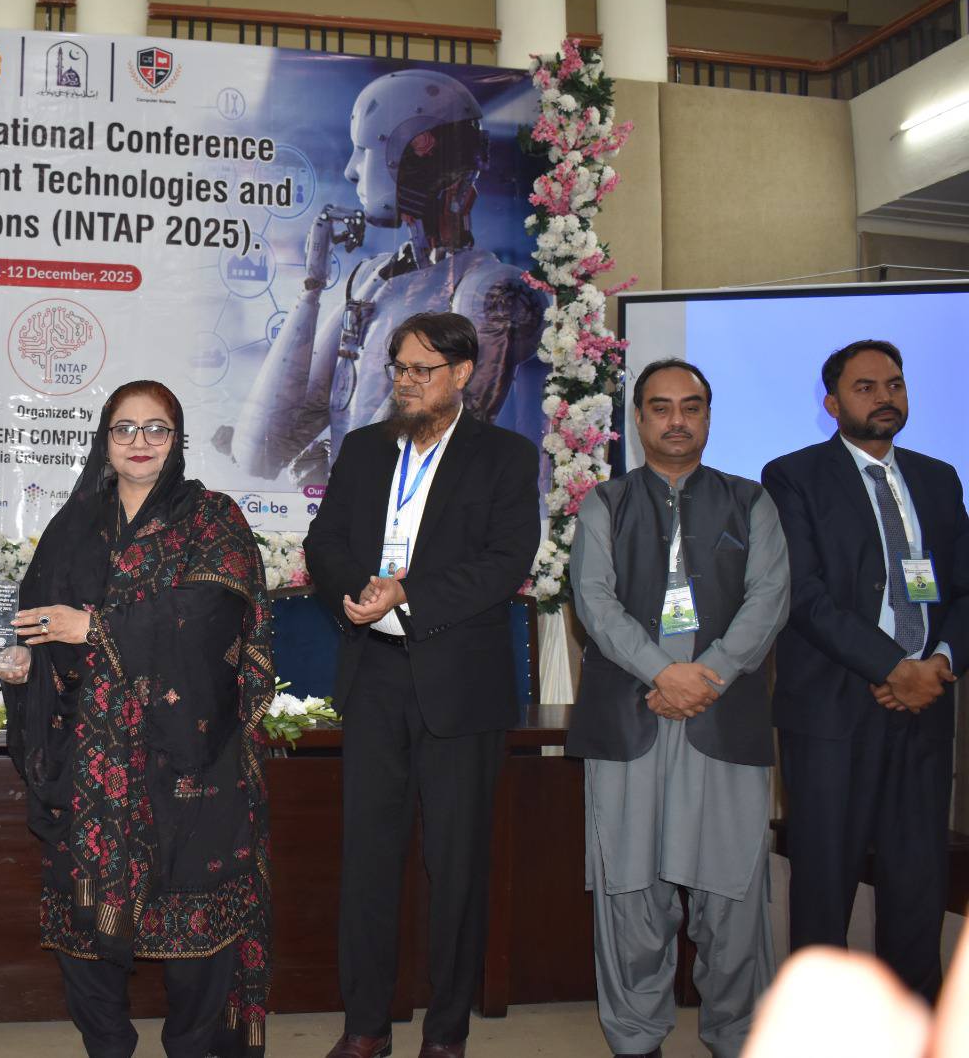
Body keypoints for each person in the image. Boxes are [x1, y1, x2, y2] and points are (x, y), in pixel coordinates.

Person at [0, 379, 274, 1058]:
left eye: (157, 429)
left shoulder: (212, 517)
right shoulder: (75, 525)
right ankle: (106, 1047)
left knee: (197, 931)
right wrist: (24, 658)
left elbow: (209, 618)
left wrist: (94, 628)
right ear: (105, 440)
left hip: (190, 763)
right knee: (84, 926)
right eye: (124, 428)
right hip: (89, 765)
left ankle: (195, 1049)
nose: (140, 442)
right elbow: (40, 618)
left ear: (178, 440)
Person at [302, 311, 540, 1058]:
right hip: (375, 676)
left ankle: (446, 1034)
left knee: (457, 866)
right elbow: (324, 541)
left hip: (459, 685)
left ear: (462, 374)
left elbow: (505, 562)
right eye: (399, 368)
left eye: (421, 370)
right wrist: (356, 591)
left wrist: (408, 593)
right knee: (369, 861)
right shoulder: (366, 450)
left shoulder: (504, 456)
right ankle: (366, 1027)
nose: (405, 382)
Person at [568, 359, 790, 1058]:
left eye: (691, 407)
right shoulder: (605, 503)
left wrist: (707, 675)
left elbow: (769, 599)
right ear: (638, 419)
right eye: (661, 407)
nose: (676, 420)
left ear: (708, 417)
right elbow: (593, 601)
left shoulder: (750, 502)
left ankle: (737, 1037)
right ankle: (637, 1040)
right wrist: (664, 673)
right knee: (630, 897)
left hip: (722, 721)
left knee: (733, 899)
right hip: (631, 720)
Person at [761, 339, 968, 1000]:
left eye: (895, 384)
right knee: (824, 884)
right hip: (833, 709)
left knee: (918, 880)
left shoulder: (939, 478)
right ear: (832, 404)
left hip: (925, 705)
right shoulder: (793, 476)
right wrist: (891, 667)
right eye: (866, 387)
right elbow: (803, 595)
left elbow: (963, 590)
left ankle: (912, 1022)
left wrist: (937, 664)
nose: (885, 397)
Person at [227, 68, 546, 486]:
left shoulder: (489, 291)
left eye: (364, 150)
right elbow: (263, 449)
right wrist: (313, 287)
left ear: (411, 153)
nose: (352, 171)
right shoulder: (372, 279)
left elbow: (418, 451)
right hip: (351, 514)